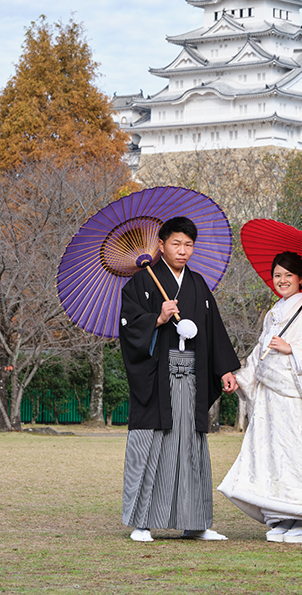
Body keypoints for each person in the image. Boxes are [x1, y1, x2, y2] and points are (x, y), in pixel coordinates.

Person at [119, 215, 239, 542]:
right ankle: (142, 523)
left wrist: (225, 369)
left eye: (188, 245)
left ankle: (195, 523)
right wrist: (157, 319)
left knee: (190, 448)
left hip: (192, 380)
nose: (183, 251)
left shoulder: (198, 284)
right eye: (176, 244)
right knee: (151, 446)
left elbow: (213, 331)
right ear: (161, 245)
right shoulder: (141, 283)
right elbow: (128, 329)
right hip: (158, 379)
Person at [218, 251, 302, 544]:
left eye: (289, 275)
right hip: (270, 399)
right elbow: (260, 352)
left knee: (297, 454)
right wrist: (241, 378)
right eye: (277, 275)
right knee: (274, 456)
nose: (282, 280)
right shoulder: (274, 312)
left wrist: (292, 348)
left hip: (296, 398)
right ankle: (282, 516)